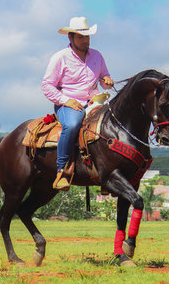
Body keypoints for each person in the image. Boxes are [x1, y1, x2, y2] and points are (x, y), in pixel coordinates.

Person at [41, 16, 114, 190]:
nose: (85, 40)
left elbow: (104, 78)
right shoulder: (60, 58)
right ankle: (62, 170)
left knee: (112, 124)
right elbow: (47, 86)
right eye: (80, 37)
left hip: (94, 101)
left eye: (87, 36)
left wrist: (107, 81)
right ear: (70, 37)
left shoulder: (97, 55)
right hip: (68, 103)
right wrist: (66, 100)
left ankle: (107, 171)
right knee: (73, 125)